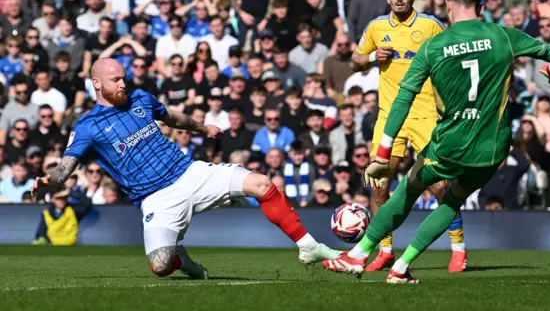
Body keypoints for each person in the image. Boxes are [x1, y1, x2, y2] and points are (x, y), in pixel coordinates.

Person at [323, 0, 550, 283]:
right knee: (452, 200)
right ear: (481, 7)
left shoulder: (434, 45)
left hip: (450, 142)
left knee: (408, 190)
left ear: (448, 5)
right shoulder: (504, 35)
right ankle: (401, 267)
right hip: (491, 149)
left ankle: (358, 254)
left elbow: (403, 99)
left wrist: (383, 151)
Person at [30, 58, 338, 279]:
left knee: (259, 183)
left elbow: (174, 119)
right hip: (155, 199)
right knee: (161, 266)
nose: (123, 83)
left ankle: (308, 245)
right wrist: (50, 181)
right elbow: (66, 167)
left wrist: (204, 128)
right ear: (96, 83)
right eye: (116, 80)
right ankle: (183, 260)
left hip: (190, 173)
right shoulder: (88, 126)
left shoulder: (140, 98)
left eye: (124, 77)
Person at [349, 0, 466, 273]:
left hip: (426, 114)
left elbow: (452, 57)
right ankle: (385, 249)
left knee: (440, 185)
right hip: (389, 117)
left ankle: (458, 247)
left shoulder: (430, 25)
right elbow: (355, 60)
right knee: (378, 184)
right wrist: (374, 55)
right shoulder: (376, 27)